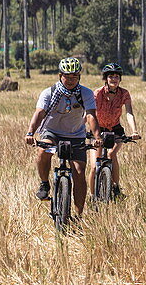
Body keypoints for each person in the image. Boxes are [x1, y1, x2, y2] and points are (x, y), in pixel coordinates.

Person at [23, 56, 102, 216]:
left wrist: (97, 136)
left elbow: (91, 116)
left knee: (79, 173)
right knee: (43, 151)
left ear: (79, 77)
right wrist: (30, 132)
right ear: (60, 76)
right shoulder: (49, 92)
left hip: (75, 135)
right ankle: (45, 184)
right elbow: (39, 113)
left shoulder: (85, 93)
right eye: (67, 76)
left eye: (75, 76)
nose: (71, 80)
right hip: (52, 132)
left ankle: (78, 215)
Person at [92, 62, 141, 198]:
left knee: (112, 155)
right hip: (98, 129)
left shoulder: (124, 93)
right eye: (111, 76)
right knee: (94, 164)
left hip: (115, 128)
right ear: (106, 78)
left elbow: (129, 113)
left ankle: (116, 186)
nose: (114, 79)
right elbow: (89, 114)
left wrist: (134, 131)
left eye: (116, 76)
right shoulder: (98, 93)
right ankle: (92, 195)